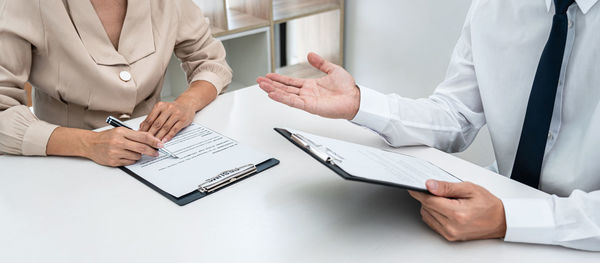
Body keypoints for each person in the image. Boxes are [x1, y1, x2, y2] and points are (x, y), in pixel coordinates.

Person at [257, 0, 600, 251]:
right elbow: (456, 115)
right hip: (494, 207)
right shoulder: (494, 7)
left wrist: (509, 217)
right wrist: (361, 104)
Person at [0, 0, 232, 166]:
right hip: (67, 164)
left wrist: (187, 102)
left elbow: (210, 61)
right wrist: (87, 144)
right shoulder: (23, 4)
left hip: (158, 155)